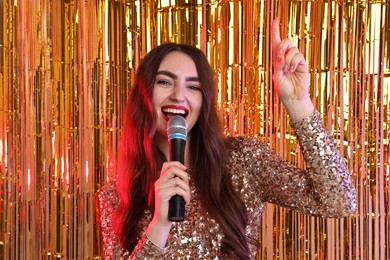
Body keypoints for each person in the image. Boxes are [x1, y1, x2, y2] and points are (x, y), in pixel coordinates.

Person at [99, 19, 357, 259]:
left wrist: (297, 102)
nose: (179, 96)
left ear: (205, 101)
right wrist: (159, 225)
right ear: (143, 94)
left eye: (193, 86)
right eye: (165, 82)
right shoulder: (115, 195)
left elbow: (338, 201)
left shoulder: (242, 160)